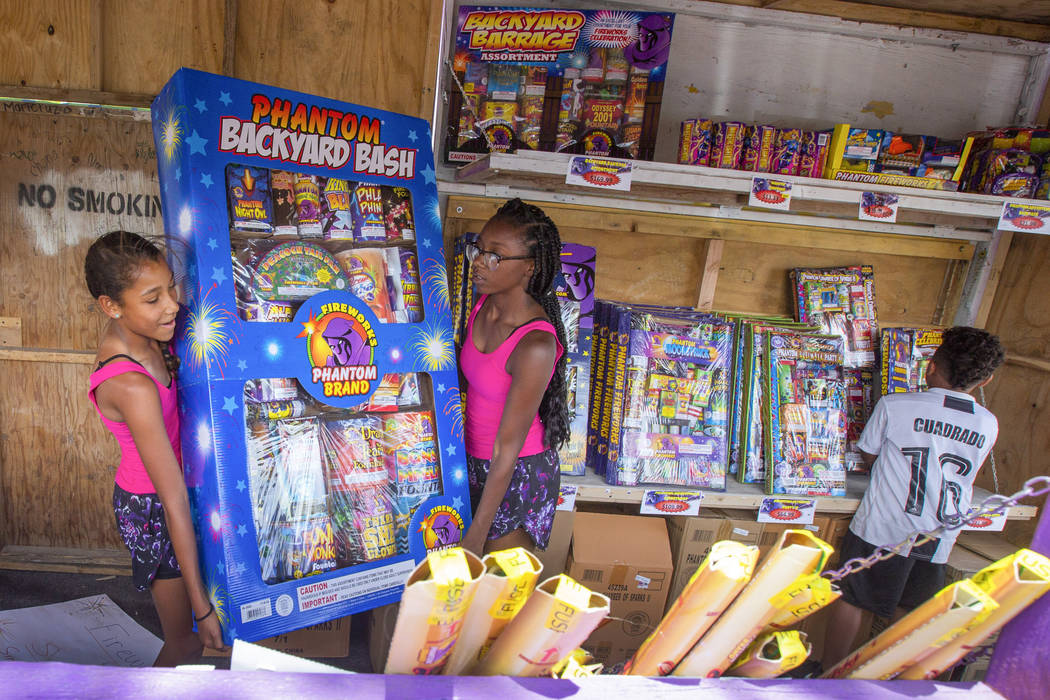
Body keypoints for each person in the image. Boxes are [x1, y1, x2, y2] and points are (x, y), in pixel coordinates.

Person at [821, 326, 1005, 672]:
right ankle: (884, 682)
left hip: (884, 527)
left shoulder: (896, 405)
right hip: (938, 534)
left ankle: (829, 676)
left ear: (931, 365)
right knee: (910, 614)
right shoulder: (987, 423)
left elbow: (870, 457)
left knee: (853, 598)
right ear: (986, 380)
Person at [85, 231, 226, 665]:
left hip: (173, 494)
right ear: (111, 306)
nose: (172, 305)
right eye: (152, 298)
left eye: (171, 288)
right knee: (184, 641)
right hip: (152, 509)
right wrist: (201, 609)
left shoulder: (151, 337)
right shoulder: (129, 385)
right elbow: (172, 500)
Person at [458, 199, 570, 556]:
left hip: (516, 477)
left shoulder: (535, 344)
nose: (479, 261)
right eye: (479, 249)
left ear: (528, 268)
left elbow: (507, 449)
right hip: (471, 464)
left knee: (495, 601)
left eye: (496, 255)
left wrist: (477, 533)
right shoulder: (483, 305)